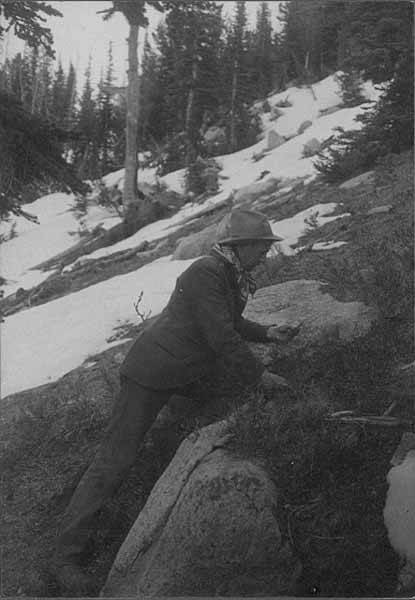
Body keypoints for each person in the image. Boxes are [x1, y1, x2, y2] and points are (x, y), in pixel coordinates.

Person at [53, 208, 300, 595]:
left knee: (224, 399)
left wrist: (268, 333)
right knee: (115, 460)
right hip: (151, 372)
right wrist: (260, 375)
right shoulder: (206, 272)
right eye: (263, 247)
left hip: (186, 369)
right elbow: (220, 336)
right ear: (242, 245)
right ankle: (65, 558)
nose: (266, 254)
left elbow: (230, 324)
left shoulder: (228, 273)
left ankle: (170, 452)